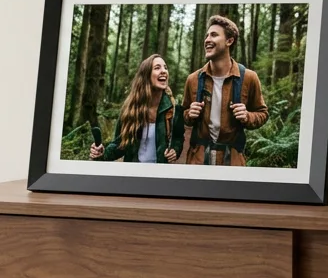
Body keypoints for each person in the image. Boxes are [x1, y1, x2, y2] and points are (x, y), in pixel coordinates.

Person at [181, 15, 268, 166]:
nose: (207, 39)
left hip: (232, 160)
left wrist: (247, 116)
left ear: (229, 41)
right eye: (207, 35)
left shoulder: (249, 78)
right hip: (198, 160)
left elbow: (262, 113)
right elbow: (183, 115)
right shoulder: (193, 79)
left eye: (214, 35)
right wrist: (189, 113)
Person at [89, 54, 184, 163]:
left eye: (165, 68)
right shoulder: (131, 108)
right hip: (134, 173)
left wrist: (175, 151)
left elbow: (178, 138)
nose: (163, 71)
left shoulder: (174, 109)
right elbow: (119, 144)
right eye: (157, 68)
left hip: (160, 174)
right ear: (146, 75)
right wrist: (102, 153)